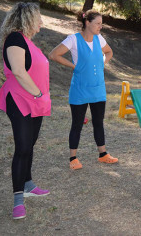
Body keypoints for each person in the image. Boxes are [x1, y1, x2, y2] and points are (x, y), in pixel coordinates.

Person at [0, 2, 51, 220]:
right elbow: (18, 71)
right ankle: (18, 200)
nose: (41, 23)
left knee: (30, 145)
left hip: (35, 100)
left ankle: (28, 184)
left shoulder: (28, 42)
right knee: (22, 147)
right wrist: (38, 94)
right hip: (20, 100)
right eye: (38, 18)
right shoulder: (15, 38)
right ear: (27, 19)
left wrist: (40, 96)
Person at [48, 9, 118, 170]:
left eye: (101, 23)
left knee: (98, 122)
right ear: (87, 23)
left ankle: (103, 154)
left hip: (98, 89)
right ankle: (73, 158)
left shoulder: (99, 39)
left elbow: (109, 52)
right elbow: (53, 55)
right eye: (98, 23)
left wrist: (103, 62)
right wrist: (73, 65)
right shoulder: (73, 39)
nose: (101, 27)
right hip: (79, 90)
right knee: (77, 124)